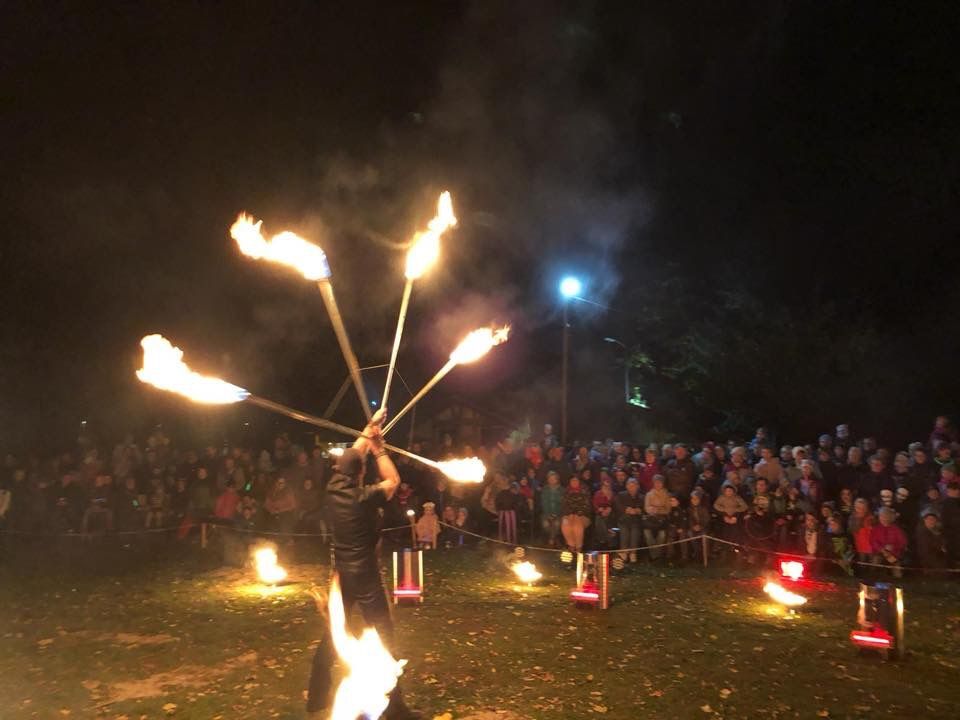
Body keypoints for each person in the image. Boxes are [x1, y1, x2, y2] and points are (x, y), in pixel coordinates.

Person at [306, 408, 420, 719]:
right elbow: (393, 480)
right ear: (359, 474)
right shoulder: (363, 496)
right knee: (384, 638)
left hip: (342, 574)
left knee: (333, 635)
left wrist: (368, 430)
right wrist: (380, 449)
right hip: (366, 576)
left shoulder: (333, 487)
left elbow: (354, 455)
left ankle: (315, 701)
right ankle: (397, 710)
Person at [615, 477, 644, 562]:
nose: (632, 488)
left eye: (634, 486)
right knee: (624, 530)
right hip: (624, 519)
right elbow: (617, 506)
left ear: (637, 486)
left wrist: (638, 510)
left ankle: (633, 553)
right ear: (627, 486)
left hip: (636, 520)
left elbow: (643, 508)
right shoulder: (621, 495)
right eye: (630, 486)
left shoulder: (642, 496)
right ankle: (624, 553)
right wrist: (626, 510)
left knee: (635, 530)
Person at [643, 474, 671, 560]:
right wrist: (651, 510)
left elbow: (668, 509)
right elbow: (646, 507)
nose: (658, 484)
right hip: (651, 519)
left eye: (660, 483)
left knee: (662, 535)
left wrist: (658, 510)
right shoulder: (649, 494)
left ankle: (656, 555)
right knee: (647, 534)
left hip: (662, 520)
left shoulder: (666, 494)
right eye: (656, 483)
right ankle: (654, 555)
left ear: (663, 484)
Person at [560, 475, 591, 552]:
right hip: (569, 515)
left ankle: (579, 548)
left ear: (579, 481)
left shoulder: (585, 491)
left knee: (577, 524)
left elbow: (586, 506)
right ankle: (571, 546)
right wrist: (569, 514)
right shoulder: (566, 491)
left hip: (583, 515)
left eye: (576, 480)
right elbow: (564, 505)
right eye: (572, 480)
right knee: (565, 523)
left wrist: (576, 514)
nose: (574, 482)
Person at [539, 471, 564, 547]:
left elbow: (562, 504)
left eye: (554, 478)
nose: (552, 480)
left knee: (556, 524)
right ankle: (554, 538)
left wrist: (556, 514)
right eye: (550, 478)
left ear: (557, 480)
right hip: (547, 513)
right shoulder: (545, 489)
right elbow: (544, 503)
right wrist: (548, 515)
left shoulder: (562, 490)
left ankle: (551, 541)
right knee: (545, 524)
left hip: (559, 513)